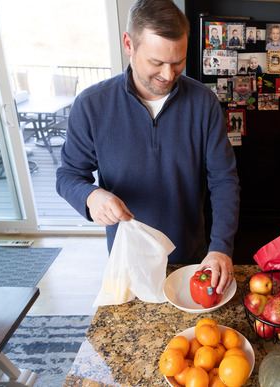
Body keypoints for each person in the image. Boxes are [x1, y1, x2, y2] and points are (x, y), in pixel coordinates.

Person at [56, 0, 240, 295]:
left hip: (191, 261)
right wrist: (90, 196)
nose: (168, 75)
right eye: (156, 62)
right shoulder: (92, 105)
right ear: (129, 44)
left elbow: (224, 180)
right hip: (127, 263)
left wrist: (221, 246)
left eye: (178, 61)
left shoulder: (204, 102)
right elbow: (67, 177)